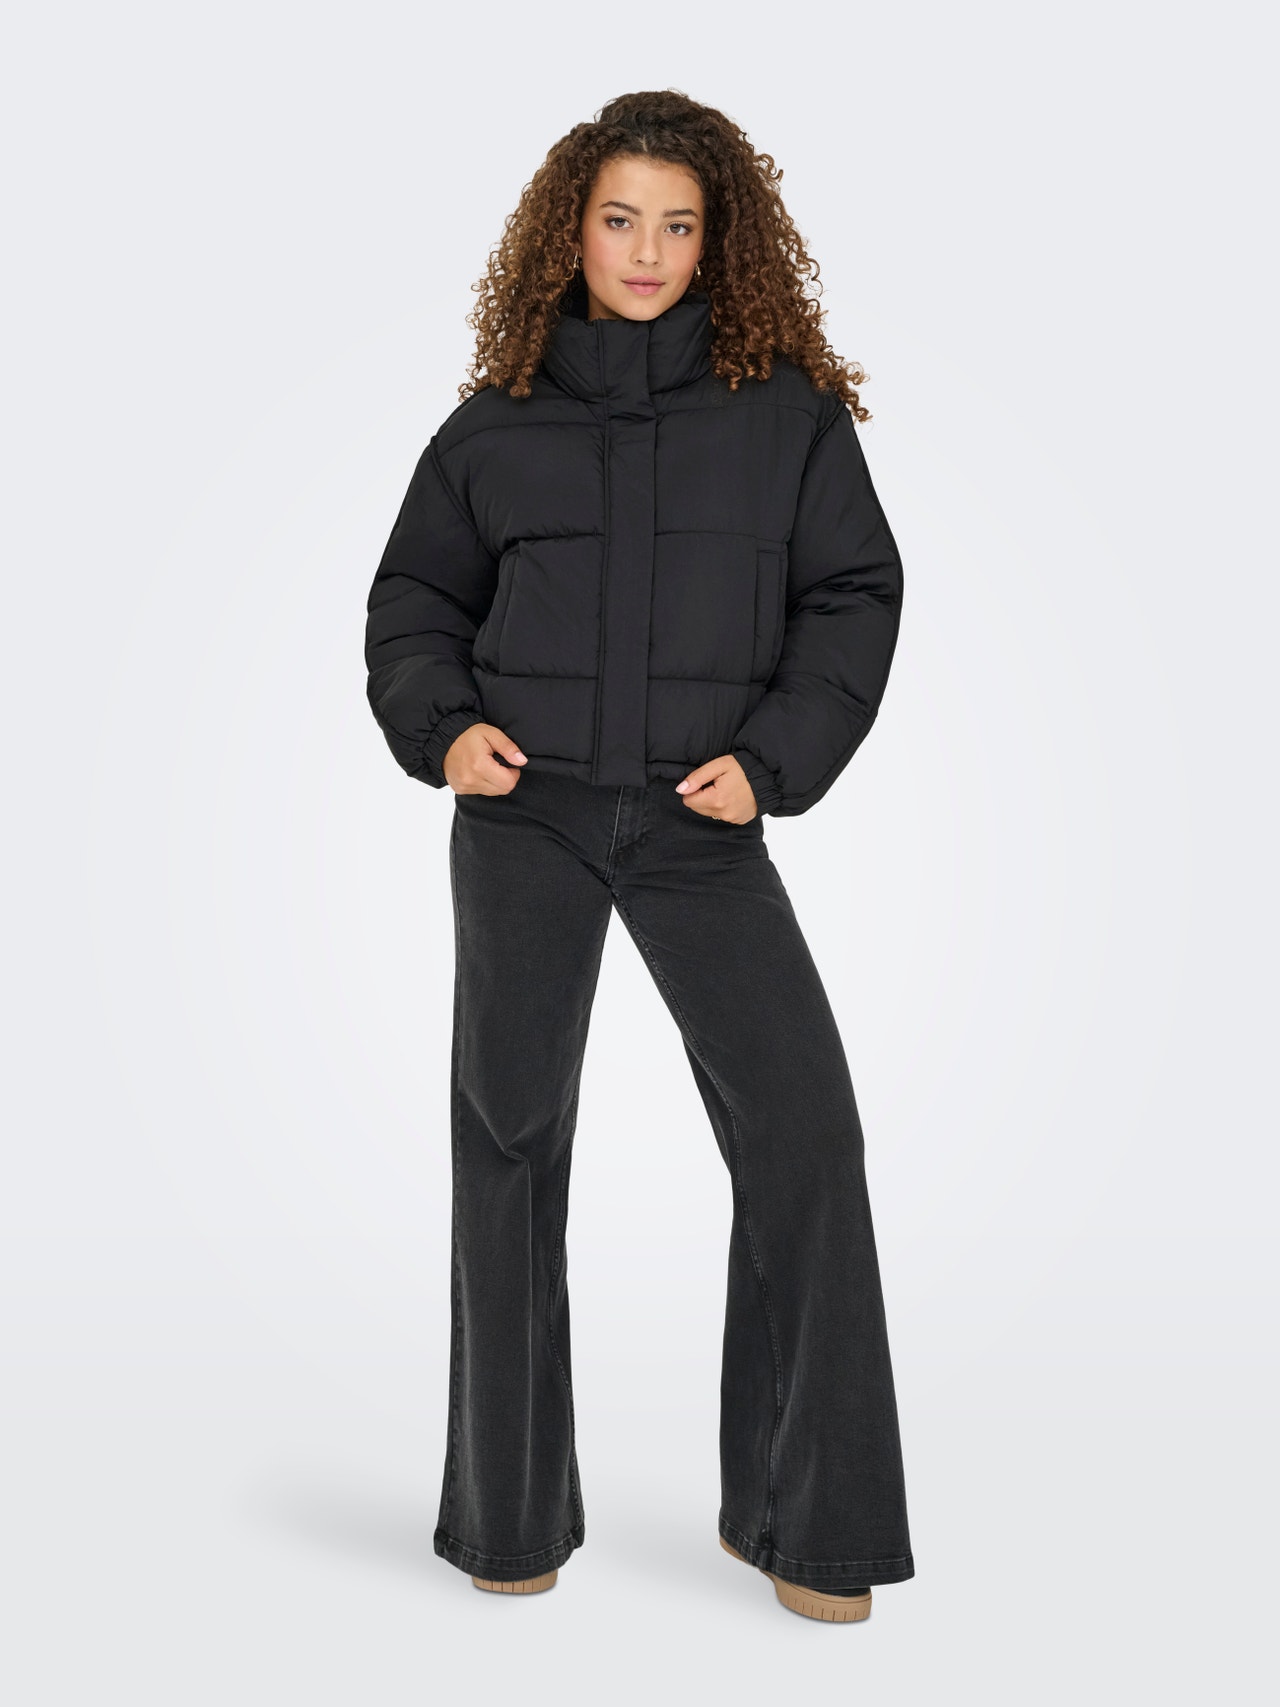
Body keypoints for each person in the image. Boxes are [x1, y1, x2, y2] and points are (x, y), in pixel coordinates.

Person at [363, 89, 914, 1623]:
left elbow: (854, 594)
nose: (648, 250)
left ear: (719, 242)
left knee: (804, 1141)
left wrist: (775, 761)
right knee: (510, 1141)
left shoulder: (788, 417)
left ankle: (804, 1521)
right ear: (572, 231)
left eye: (678, 224)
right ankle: (508, 1518)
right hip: (525, 817)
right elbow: (414, 601)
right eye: (619, 220)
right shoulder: (495, 424)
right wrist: (444, 729)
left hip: (700, 824)